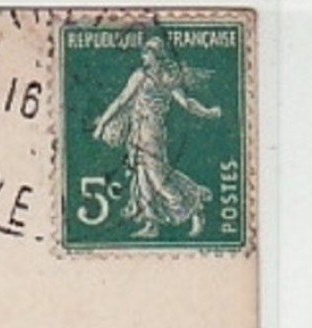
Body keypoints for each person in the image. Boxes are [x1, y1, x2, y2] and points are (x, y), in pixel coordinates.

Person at [92, 36, 223, 238]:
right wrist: (102, 124)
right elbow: (121, 101)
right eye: (144, 52)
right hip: (137, 130)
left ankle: (193, 206)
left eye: (147, 53)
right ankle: (151, 223)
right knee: (142, 178)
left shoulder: (167, 78)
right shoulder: (140, 76)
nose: (144, 56)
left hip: (153, 132)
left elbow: (186, 103)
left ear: (157, 56)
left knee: (158, 177)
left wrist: (207, 112)